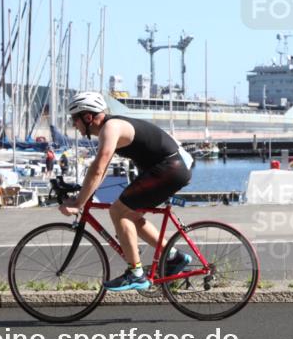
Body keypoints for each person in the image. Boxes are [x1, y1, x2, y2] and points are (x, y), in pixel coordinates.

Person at [60, 91, 193, 291]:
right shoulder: (111, 128)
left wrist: (79, 202)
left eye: (74, 119)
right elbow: (101, 170)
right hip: (167, 168)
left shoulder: (110, 128)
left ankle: (136, 274)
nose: (73, 125)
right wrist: (84, 195)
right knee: (132, 216)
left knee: (117, 211)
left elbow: (97, 168)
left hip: (169, 168)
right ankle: (174, 256)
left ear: (87, 117)